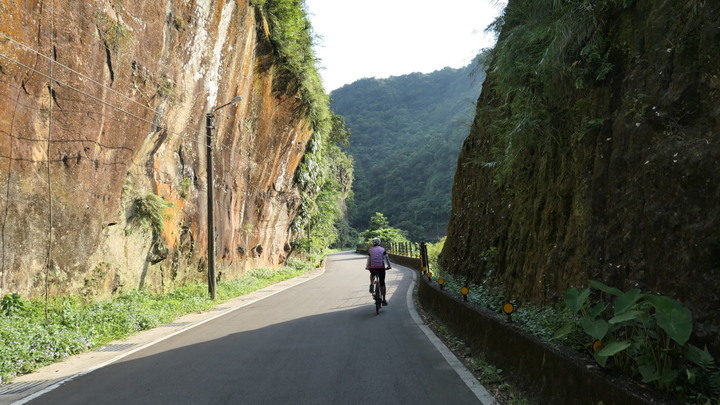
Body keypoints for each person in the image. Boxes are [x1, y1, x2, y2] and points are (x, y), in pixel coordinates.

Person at [366, 237, 391, 306]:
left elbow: (369, 259)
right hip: (381, 268)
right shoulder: (383, 249)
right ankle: (384, 300)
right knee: (382, 283)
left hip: (372, 268)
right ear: (379, 243)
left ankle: (371, 284)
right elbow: (386, 258)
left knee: (372, 274)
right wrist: (389, 266)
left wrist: (367, 266)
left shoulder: (370, 250)